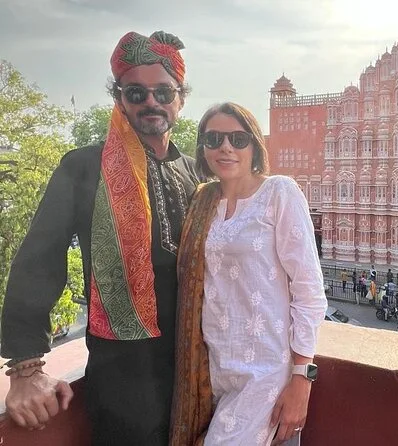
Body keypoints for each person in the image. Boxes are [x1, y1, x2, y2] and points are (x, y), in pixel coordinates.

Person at [1, 31, 199, 444]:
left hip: (196, 367)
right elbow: (39, 261)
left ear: (180, 99)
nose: (151, 102)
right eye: (136, 92)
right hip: (125, 381)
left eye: (164, 92)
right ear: (119, 99)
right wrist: (25, 368)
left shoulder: (194, 172)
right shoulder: (84, 166)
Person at [170, 102, 327, 445]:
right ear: (203, 148)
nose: (225, 147)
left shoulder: (278, 193)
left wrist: (302, 378)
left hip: (265, 374)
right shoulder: (202, 203)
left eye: (238, 139)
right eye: (214, 139)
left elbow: (309, 290)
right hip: (212, 372)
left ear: (254, 145)